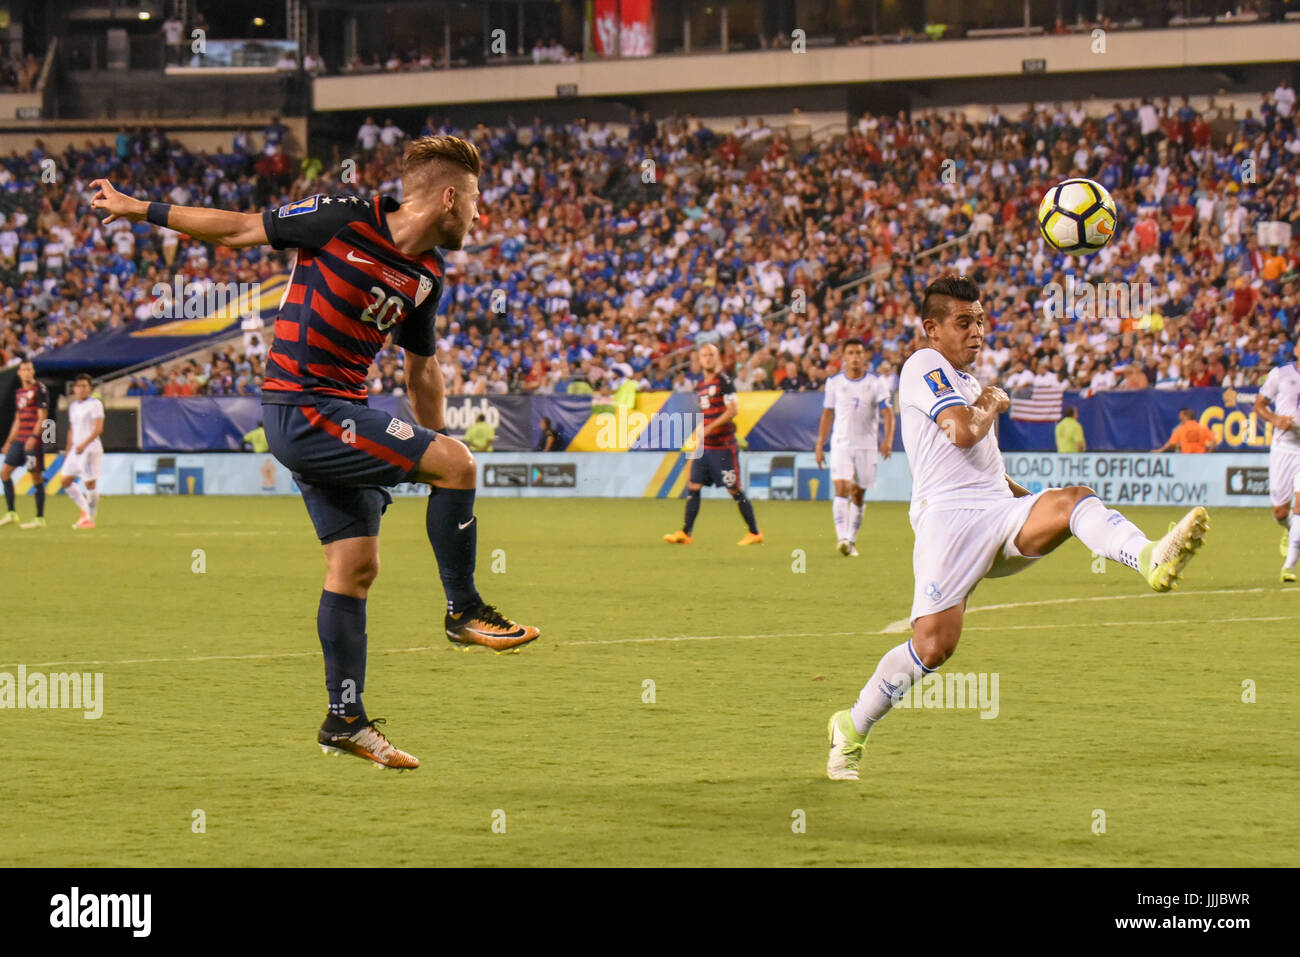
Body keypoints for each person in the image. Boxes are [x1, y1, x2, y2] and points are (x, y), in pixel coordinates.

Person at [89, 135, 539, 771]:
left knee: (354, 568)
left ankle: (344, 719)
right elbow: (242, 229)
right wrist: (141, 209)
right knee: (459, 464)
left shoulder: (427, 276)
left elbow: (422, 373)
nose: (477, 215)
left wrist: (439, 454)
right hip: (303, 409)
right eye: (473, 201)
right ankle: (463, 611)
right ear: (448, 197)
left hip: (340, 414)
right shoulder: (344, 217)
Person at [825, 276, 1210, 782]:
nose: (976, 331)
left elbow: (984, 464)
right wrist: (994, 402)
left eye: (980, 320)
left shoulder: (965, 382)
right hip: (948, 523)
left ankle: (1150, 556)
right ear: (931, 329)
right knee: (934, 646)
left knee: (1074, 501)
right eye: (963, 322)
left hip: (997, 512)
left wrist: (1029, 501)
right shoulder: (924, 365)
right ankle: (850, 729)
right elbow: (963, 433)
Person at [663, 342, 762, 546]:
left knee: (734, 489)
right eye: (704, 355)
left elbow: (732, 410)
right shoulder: (701, 386)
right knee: (693, 485)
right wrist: (701, 429)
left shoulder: (724, 381)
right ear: (699, 360)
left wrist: (710, 427)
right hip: (705, 447)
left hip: (723, 447)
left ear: (717, 358)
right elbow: (707, 414)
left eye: (711, 355)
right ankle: (686, 533)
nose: (707, 358)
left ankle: (754, 532)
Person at [814, 338, 895, 557]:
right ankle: (842, 539)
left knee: (858, 494)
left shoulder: (877, 383)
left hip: (867, 446)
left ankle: (851, 539)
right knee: (841, 487)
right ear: (843, 358)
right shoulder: (834, 383)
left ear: (865, 356)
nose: (855, 357)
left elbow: (888, 413)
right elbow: (827, 413)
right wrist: (820, 444)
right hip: (841, 443)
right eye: (850, 353)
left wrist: (887, 440)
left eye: (859, 352)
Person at [1253, 353, 1300, 582]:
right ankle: (1289, 529)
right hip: (1283, 449)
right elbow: (1259, 405)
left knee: (1299, 508)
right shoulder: (1280, 374)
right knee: (1281, 513)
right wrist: (1276, 420)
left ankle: (1288, 567)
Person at [0, 359, 49, 529]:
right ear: (19, 373)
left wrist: (34, 437)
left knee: (34, 476)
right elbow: (18, 419)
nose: (27, 372)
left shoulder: (40, 389)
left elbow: (43, 416)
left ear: (33, 371)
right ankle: (12, 512)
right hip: (19, 441)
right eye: (24, 369)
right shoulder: (19, 392)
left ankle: (39, 517)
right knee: (4, 473)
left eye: (30, 369)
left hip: (32, 443)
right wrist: (9, 441)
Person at [62, 373, 104, 529]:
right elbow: (72, 429)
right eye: (78, 386)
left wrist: (84, 444)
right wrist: (69, 449)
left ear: (90, 388)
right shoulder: (73, 406)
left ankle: (90, 519)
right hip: (76, 449)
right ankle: (86, 511)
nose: (81, 389)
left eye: (85, 386)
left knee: (90, 483)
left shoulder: (95, 404)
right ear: (74, 388)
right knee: (65, 481)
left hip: (90, 448)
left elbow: (98, 428)